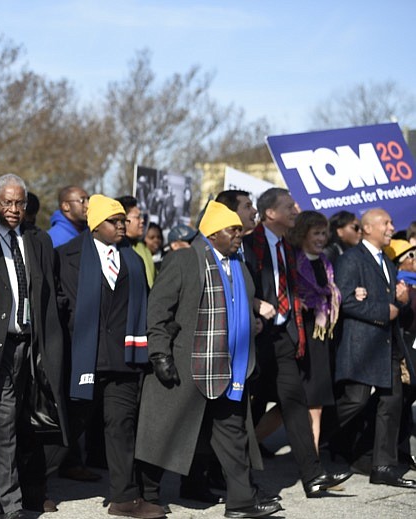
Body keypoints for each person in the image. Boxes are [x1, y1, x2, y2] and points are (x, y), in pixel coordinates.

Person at [136, 201, 281, 519]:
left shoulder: (239, 267)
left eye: (241, 231)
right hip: (187, 365)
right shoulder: (185, 259)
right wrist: (159, 353)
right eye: (233, 230)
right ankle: (146, 495)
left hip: (231, 369)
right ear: (213, 233)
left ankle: (241, 502)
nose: (239, 236)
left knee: (232, 435)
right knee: (166, 432)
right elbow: (159, 308)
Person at [56, 195, 165, 519]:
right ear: (95, 225)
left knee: (121, 427)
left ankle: (125, 499)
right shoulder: (66, 255)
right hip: (82, 359)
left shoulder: (131, 259)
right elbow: (62, 306)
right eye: (113, 222)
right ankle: (33, 484)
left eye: (122, 221)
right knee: (68, 427)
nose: (120, 226)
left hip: (123, 360)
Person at [0, 174, 68, 518]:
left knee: (27, 425)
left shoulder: (38, 241)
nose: (13, 209)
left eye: (19, 203)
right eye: (6, 202)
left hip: (33, 345)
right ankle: (7, 503)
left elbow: (50, 294)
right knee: (1, 425)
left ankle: (15, 495)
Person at [241, 187, 351, 497]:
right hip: (256, 337)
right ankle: (224, 471)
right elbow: (236, 283)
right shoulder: (249, 244)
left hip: (286, 338)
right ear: (271, 213)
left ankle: (313, 476)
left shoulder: (287, 248)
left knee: (295, 404)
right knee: (247, 408)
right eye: (289, 206)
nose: (295, 210)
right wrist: (255, 304)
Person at [328, 208, 416, 488]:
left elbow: (392, 305)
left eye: (391, 222)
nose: (392, 227)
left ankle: (383, 466)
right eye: (386, 223)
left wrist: (400, 300)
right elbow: (344, 301)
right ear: (367, 228)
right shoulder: (352, 259)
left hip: (388, 344)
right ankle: (314, 436)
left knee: (392, 402)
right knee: (356, 400)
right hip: (362, 346)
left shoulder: (387, 263)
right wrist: (384, 309)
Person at [287, 211, 341, 454]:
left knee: (316, 402)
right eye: (316, 233)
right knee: (288, 405)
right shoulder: (293, 262)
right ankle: (249, 449)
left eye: (324, 233)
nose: (322, 238)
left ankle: (313, 459)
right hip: (302, 334)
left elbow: (330, 293)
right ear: (303, 234)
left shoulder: (326, 263)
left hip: (321, 337)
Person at [383, 239, 416, 471]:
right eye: (410, 256)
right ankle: (400, 450)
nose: (415, 259)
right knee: (403, 398)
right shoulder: (400, 285)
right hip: (407, 346)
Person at [117, 196, 155, 287]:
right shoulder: (117, 249)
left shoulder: (143, 247)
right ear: (124, 220)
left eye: (141, 217)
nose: (142, 221)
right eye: (137, 217)